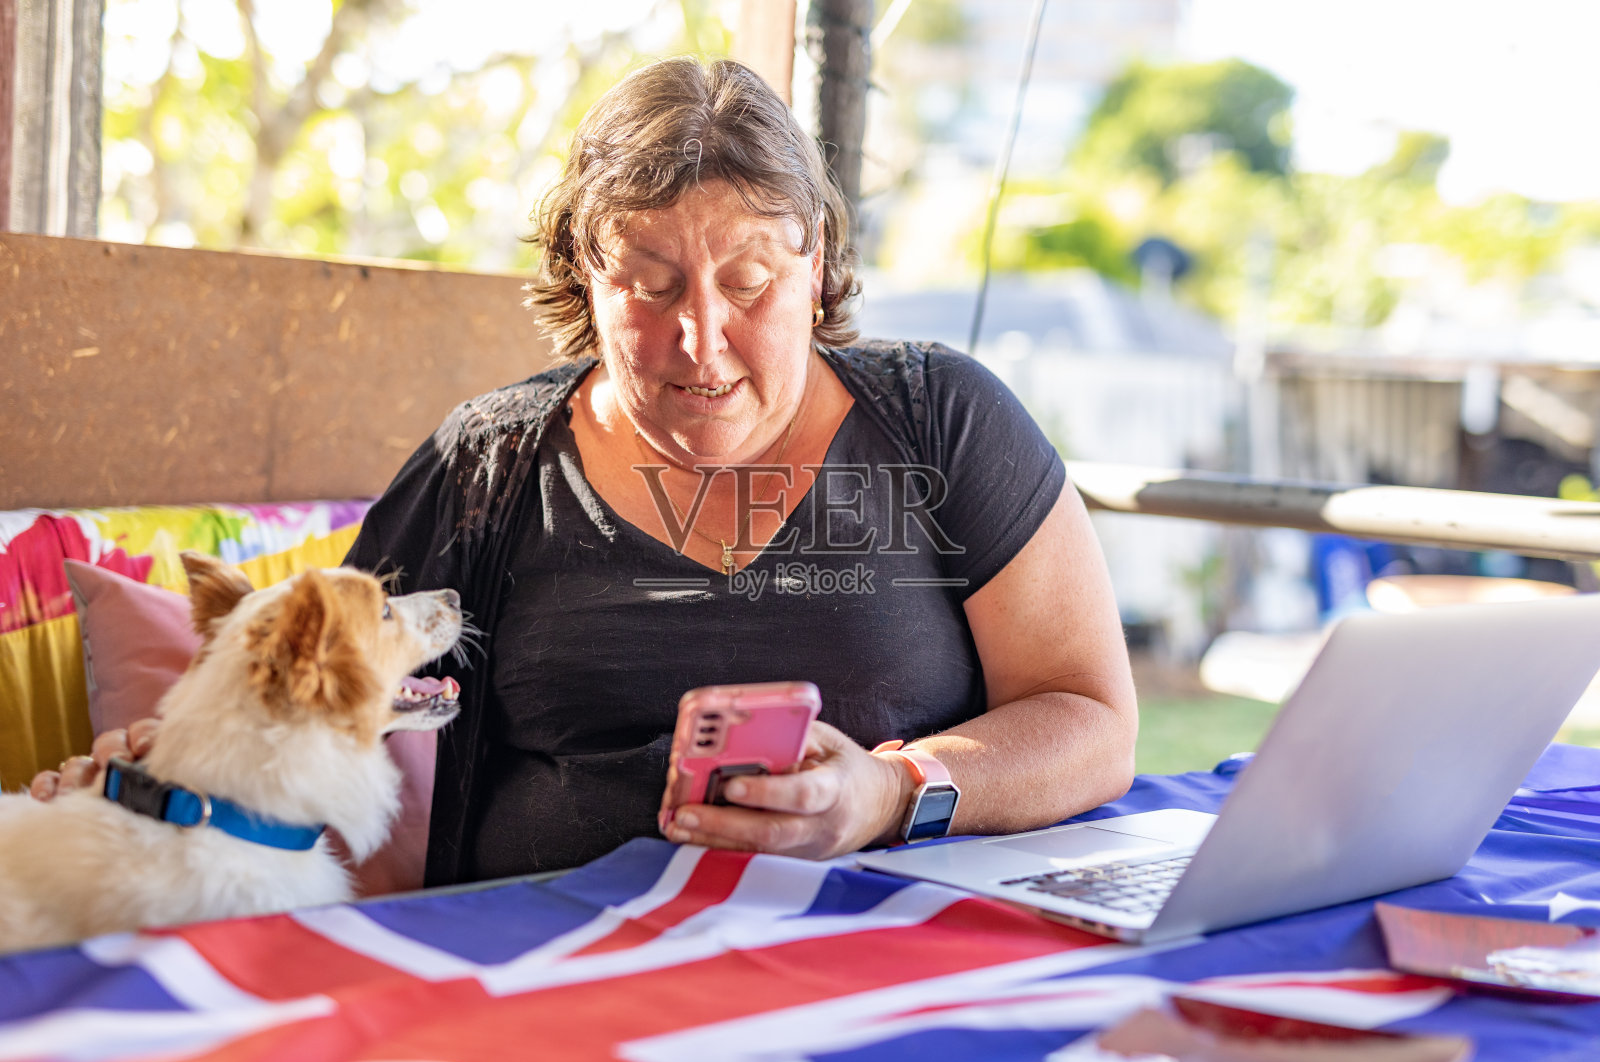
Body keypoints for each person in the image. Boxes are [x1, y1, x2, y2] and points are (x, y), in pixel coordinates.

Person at [37, 56, 1137, 888]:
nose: (699, 339)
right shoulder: (488, 465)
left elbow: (1090, 716)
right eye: (648, 282)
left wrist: (893, 791)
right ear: (581, 269)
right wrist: (165, 776)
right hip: (551, 980)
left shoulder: (939, 418)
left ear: (817, 261)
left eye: (749, 280)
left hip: (893, 964)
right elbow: (316, 688)